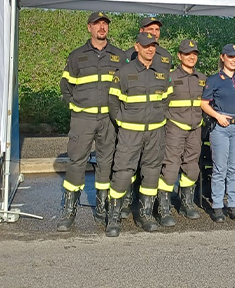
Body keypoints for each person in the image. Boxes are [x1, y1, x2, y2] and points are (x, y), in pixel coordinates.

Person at [57, 12, 127, 232]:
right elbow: (65, 86)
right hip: (83, 118)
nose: (102, 27)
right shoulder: (77, 56)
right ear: (89, 28)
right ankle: (69, 211)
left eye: (105, 24)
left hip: (108, 119)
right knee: (77, 161)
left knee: (107, 162)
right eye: (97, 24)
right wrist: (74, 106)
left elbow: (125, 85)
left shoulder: (119, 55)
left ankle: (102, 208)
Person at [104, 32, 172, 237]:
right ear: (137, 47)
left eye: (153, 45)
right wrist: (123, 122)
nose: (150, 49)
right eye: (146, 46)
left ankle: (146, 215)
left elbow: (166, 100)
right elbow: (113, 103)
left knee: (151, 172)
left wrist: (158, 118)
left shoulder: (162, 73)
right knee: (123, 172)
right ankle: (114, 217)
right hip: (130, 133)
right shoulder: (123, 73)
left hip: (155, 132)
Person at [122, 16, 171, 218]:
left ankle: (151, 206)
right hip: (132, 121)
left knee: (153, 164)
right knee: (129, 164)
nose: (154, 32)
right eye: (150, 29)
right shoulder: (129, 55)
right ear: (141, 31)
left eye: (157, 29)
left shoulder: (166, 56)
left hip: (155, 120)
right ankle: (126, 201)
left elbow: (166, 88)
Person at [201, 44, 235, 223]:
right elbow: (203, 103)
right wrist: (217, 116)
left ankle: (233, 204)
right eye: (230, 56)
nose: (234, 60)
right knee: (220, 168)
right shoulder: (214, 79)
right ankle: (217, 205)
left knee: (234, 168)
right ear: (223, 57)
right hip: (221, 127)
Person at [156, 39, 207, 226]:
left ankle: (186, 203)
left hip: (195, 128)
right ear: (179, 56)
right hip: (174, 128)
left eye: (194, 53)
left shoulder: (202, 78)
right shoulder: (170, 77)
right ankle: (163, 207)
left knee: (192, 167)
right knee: (170, 168)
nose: (191, 57)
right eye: (187, 54)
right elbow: (160, 102)